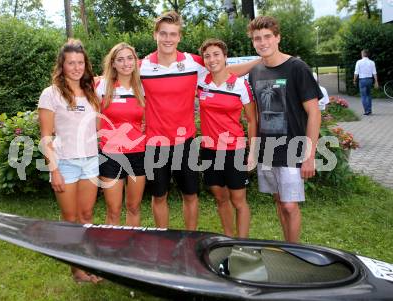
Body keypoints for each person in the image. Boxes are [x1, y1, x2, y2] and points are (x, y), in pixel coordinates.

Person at [139, 11, 258, 230]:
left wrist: (260, 61)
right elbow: (114, 76)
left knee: (191, 195)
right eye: (163, 33)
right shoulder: (143, 66)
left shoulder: (193, 62)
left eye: (173, 34)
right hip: (155, 143)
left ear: (179, 37)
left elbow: (224, 69)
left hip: (187, 143)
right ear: (155, 34)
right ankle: (164, 241)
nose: (168, 38)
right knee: (159, 197)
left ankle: (189, 241)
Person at [247, 16, 322, 243]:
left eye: (267, 36)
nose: (263, 42)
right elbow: (258, 113)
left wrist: (309, 156)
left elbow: (314, 112)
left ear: (277, 37)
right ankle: (287, 246)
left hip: (293, 148)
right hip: (268, 149)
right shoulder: (255, 72)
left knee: (290, 205)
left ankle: (295, 249)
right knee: (279, 200)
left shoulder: (297, 68)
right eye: (257, 38)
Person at [38, 39, 101, 283]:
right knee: (70, 219)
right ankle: (76, 270)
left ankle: (87, 264)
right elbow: (46, 136)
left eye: (80, 62)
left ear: (86, 65)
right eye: (70, 63)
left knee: (86, 215)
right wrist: (54, 170)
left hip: (90, 161)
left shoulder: (91, 91)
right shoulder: (51, 94)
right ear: (62, 65)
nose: (76, 67)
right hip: (65, 164)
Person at [197, 38, 257, 238]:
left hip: (234, 149)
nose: (212, 59)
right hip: (209, 150)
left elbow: (251, 120)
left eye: (216, 54)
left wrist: (253, 153)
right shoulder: (200, 82)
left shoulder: (240, 85)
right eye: (207, 56)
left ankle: (242, 244)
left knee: (238, 200)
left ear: (225, 58)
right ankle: (229, 240)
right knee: (220, 198)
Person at [95, 42, 146, 227]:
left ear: (135, 61)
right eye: (120, 59)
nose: (126, 63)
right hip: (111, 154)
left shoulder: (142, 87)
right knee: (114, 209)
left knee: (133, 206)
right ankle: (111, 249)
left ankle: (132, 246)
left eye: (130, 58)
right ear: (113, 64)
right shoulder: (102, 86)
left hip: (138, 153)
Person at [353, 49, 379, 115]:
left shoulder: (359, 62)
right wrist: (376, 81)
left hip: (362, 80)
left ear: (363, 54)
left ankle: (366, 111)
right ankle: (369, 110)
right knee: (369, 95)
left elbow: (356, 72)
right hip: (370, 80)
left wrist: (354, 80)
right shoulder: (372, 62)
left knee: (363, 96)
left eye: (361, 53)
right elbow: (374, 73)